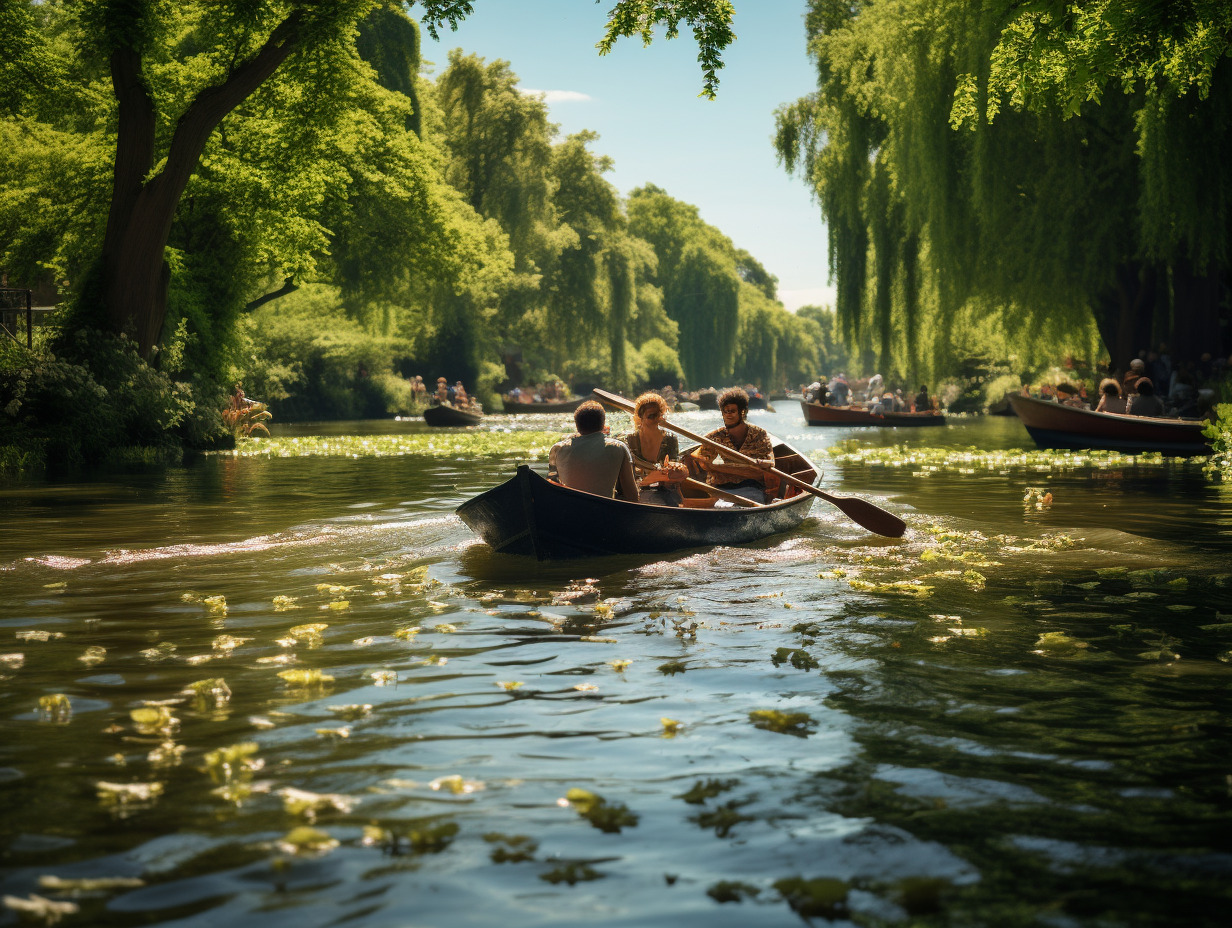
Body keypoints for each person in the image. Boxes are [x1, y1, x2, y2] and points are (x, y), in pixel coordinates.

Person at [690, 388, 778, 504]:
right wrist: (705, 464)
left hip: (751, 486)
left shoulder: (759, 434)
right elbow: (704, 462)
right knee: (717, 504)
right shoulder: (715, 437)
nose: (728, 415)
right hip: (723, 488)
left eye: (732, 411)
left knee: (750, 501)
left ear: (742, 412)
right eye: (725, 412)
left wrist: (716, 467)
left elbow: (767, 464)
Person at [548, 400, 638, 500]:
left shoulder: (557, 449)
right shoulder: (618, 447)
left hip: (570, 512)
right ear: (603, 424)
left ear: (577, 426)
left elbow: (551, 489)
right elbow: (632, 496)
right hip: (604, 512)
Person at [623, 392, 688, 506]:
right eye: (651, 416)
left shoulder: (670, 439)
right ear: (640, 418)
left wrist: (673, 470)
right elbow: (628, 474)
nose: (657, 419)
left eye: (659, 415)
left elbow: (672, 474)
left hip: (664, 490)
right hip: (636, 490)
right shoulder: (629, 440)